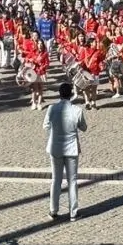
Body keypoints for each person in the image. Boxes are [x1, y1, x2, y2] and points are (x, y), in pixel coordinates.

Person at [44, 81, 87, 221]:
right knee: (72, 181)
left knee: (55, 180)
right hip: (71, 148)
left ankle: (53, 210)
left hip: (55, 147)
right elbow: (84, 127)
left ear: (59, 94)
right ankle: (73, 212)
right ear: (71, 95)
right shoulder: (77, 110)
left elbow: (46, 126)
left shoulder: (51, 109)